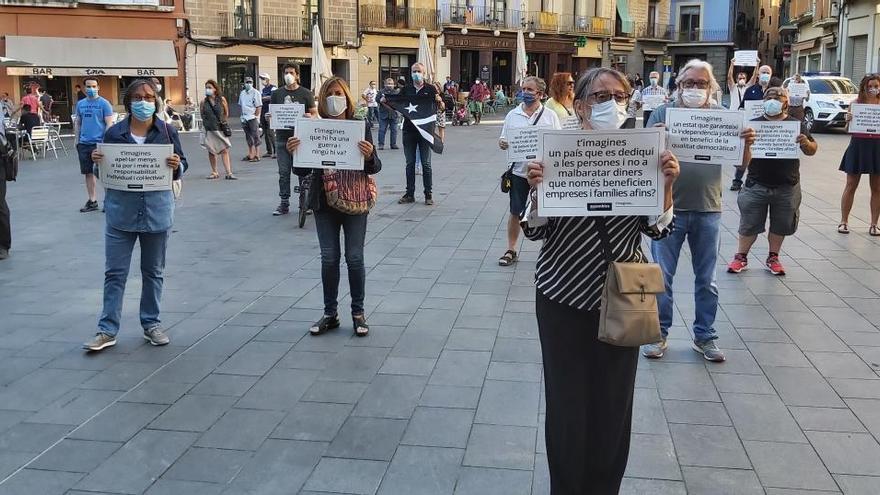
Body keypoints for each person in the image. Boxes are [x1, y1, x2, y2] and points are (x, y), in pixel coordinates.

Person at [523, 67, 680, 493]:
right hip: (561, 295)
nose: (611, 102)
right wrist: (537, 190)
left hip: (625, 294)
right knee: (567, 403)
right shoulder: (558, 148)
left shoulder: (642, 148)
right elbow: (535, 232)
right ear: (581, 102)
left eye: (619, 94)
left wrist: (666, 186)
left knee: (614, 404)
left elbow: (657, 230)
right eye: (600, 94)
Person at [643, 60, 744, 363]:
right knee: (662, 276)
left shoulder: (723, 117)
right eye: (688, 83)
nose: (694, 88)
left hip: (708, 207)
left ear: (712, 87)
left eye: (701, 83)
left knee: (707, 278)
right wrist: (654, 139)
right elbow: (642, 162)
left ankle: (705, 336)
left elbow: (741, 164)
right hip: (667, 208)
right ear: (678, 86)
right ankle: (658, 333)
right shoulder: (662, 113)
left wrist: (746, 144)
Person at [82, 78, 188, 352]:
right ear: (129, 102)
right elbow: (103, 173)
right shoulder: (114, 134)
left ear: (157, 101)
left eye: (150, 97)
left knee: (153, 272)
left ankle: (151, 324)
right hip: (121, 214)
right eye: (139, 97)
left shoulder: (166, 132)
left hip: (157, 213)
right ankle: (107, 330)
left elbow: (182, 165)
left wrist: (176, 166)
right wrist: (97, 164)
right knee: (114, 273)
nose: (145, 102)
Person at [287, 76, 381, 337]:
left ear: (347, 96)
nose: (334, 98)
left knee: (354, 257)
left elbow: (375, 166)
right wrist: (294, 151)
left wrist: (369, 154)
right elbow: (302, 170)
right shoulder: (313, 129)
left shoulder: (359, 127)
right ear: (322, 99)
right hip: (324, 201)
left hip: (355, 199)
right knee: (329, 258)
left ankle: (358, 314)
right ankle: (330, 313)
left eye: (339, 93)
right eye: (330, 93)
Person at [728, 86, 817, 276]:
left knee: (781, 224)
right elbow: (741, 163)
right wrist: (746, 144)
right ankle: (740, 256)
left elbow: (812, 149)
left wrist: (805, 143)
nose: (773, 99)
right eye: (769, 96)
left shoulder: (796, 124)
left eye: (779, 96)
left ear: (786, 101)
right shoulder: (752, 125)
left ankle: (773, 257)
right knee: (749, 223)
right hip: (756, 183)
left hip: (787, 184)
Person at [497, 76, 560, 267]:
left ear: (540, 94)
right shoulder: (512, 115)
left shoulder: (550, 116)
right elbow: (504, 138)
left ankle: (549, 251)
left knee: (547, 213)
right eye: (523, 88)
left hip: (543, 174)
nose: (525, 92)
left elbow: (558, 141)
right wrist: (502, 143)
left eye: (529, 90)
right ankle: (511, 249)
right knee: (515, 211)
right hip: (518, 172)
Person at [269, 64, 317, 216]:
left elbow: (314, 114)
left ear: (297, 75)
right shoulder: (276, 94)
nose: (288, 75)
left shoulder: (306, 93)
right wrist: (269, 117)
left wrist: (310, 117)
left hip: (300, 139)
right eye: (285, 73)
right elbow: (273, 113)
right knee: (283, 172)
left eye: (291, 72)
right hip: (282, 139)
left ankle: (305, 203)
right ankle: (284, 203)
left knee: (303, 173)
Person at [839, 74, 880, 235]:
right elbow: (846, 130)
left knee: (877, 187)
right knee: (850, 185)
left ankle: (874, 224)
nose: (873, 89)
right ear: (863, 87)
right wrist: (848, 120)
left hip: (877, 147)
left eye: (876, 86)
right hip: (858, 146)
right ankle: (844, 221)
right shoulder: (855, 104)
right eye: (869, 86)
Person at [395, 63, 438, 205]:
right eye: (414, 71)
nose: (416, 73)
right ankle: (409, 194)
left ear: (424, 73)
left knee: (426, 163)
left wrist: (440, 102)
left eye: (419, 71)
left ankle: (428, 194)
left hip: (425, 131)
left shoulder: (431, 89)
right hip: (409, 130)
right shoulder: (406, 89)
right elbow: (396, 103)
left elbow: (443, 105)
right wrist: (384, 100)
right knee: (410, 163)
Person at [74, 77, 114, 213]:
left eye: (94, 86)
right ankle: (92, 201)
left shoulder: (104, 104)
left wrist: (105, 142)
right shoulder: (80, 104)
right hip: (84, 143)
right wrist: (77, 140)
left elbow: (109, 124)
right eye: (88, 86)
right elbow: (78, 122)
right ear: (84, 88)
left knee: (104, 173)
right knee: (88, 173)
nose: (91, 89)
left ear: (98, 87)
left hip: (100, 144)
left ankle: (109, 201)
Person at [732, 63, 773, 191]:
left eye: (767, 72)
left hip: (769, 130)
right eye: (763, 72)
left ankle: (762, 180)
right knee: (746, 155)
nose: (765, 75)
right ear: (758, 75)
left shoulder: (774, 90)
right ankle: (737, 180)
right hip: (752, 128)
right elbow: (743, 107)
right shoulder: (751, 90)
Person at [200, 79, 235, 180]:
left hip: (220, 128)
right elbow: (203, 115)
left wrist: (222, 121)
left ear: (215, 89)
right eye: (206, 88)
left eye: (210, 87)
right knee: (211, 151)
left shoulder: (221, 99)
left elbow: (226, 113)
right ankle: (214, 172)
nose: (208, 89)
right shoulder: (204, 101)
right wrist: (207, 124)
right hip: (209, 129)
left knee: (224, 150)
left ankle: (228, 172)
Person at [238, 76, 262, 162]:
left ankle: (257, 155)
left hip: (252, 117)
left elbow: (258, 106)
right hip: (244, 117)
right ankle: (251, 154)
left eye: (250, 82)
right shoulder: (242, 93)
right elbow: (241, 105)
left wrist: (256, 117)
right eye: (247, 82)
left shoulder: (256, 93)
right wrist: (242, 116)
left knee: (255, 136)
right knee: (248, 136)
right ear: (244, 83)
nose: (248, 84)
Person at [376, 78, 399, 150]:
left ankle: (393, 144)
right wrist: (380, 100)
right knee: (382, 130)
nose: (389, 85)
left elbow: (399, 102)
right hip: (383, 114)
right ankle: (381, 144)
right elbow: (376, 99)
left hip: (393, 114)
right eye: (388, 84)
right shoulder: (381, 92)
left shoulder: (396, 92)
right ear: (385, 84)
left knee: (394, 130)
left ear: (394, 84)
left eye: (391, 84)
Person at [259, 73, 276, 158]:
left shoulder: (273, 88)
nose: (262, 81)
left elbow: (273, 97)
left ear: (267, 79)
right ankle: (269, 151)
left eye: (263, 79)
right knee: (265, 132)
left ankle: (276, 151)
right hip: (263, 111)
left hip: (270, 112)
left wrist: (263, 98)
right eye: (261, 79)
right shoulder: (263, 90)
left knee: (270, 132)